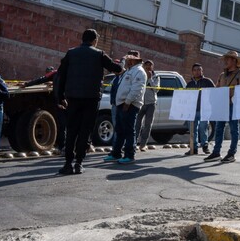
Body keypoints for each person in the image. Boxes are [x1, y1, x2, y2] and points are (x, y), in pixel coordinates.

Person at [56, 29, 123, 175]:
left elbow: (61, 75)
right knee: (85, 131)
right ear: (94, 41)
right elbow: (115, 67)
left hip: (73, 98)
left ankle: (68, 163)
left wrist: (60, 96)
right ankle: (79, 163)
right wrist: (122, 68)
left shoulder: (71, 53)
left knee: (72, 130)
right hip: (91, 99)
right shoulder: (98, 54)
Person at [204, 50, 240, 163]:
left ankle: (231, 153)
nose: (225, 61)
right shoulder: (222, 75)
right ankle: (216, 152)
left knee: (234, 129)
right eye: (225, 59)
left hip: (234, 105)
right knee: (219, 128)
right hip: (222, 105)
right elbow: (217, 88)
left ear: (234, 60)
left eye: (228, 59)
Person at [105, 51, 146, 164]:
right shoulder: (130, 71)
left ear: (132, 61)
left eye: (127, 60)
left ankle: (129, 155)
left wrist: (127, 102)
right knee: (120, 130)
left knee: (128, 130)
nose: (125, 62)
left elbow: (137, 89)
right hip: (121, 104)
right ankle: (116, 153)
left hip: (130, 105)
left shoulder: (139, 71)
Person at [20, 66, 66, 153]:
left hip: (70, 104)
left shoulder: (66, 74)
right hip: (61, 104)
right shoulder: (57, 73)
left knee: (67, 126)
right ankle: (63, 146)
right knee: (62, 126)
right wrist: (27, 84)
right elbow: (41, 80)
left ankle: (68, 146)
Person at [185, 63, 215, 156]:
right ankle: (193, 148)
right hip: (192, 110)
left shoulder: (207, 82)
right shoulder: (189, 84)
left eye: (199, 70)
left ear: (202, 71)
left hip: (204, 110)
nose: (197, 72)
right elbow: (185, 97)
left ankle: (205, 146)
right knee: (193, 129)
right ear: (192, 72)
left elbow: (214, 93)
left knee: (203, 127)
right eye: (195, 70)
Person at [135, 60, 159, 152]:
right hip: (140, 102)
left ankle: (143, 144)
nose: (148, 67)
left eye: (150, 65)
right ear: (144, 66)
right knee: (137, 124)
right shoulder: (140, 75)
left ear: (152, 67)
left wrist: (150, 79)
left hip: (151, 103)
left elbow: (156, 90)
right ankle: (134, 143)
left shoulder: (156, 77)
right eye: (146, 65)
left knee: (147, 125)